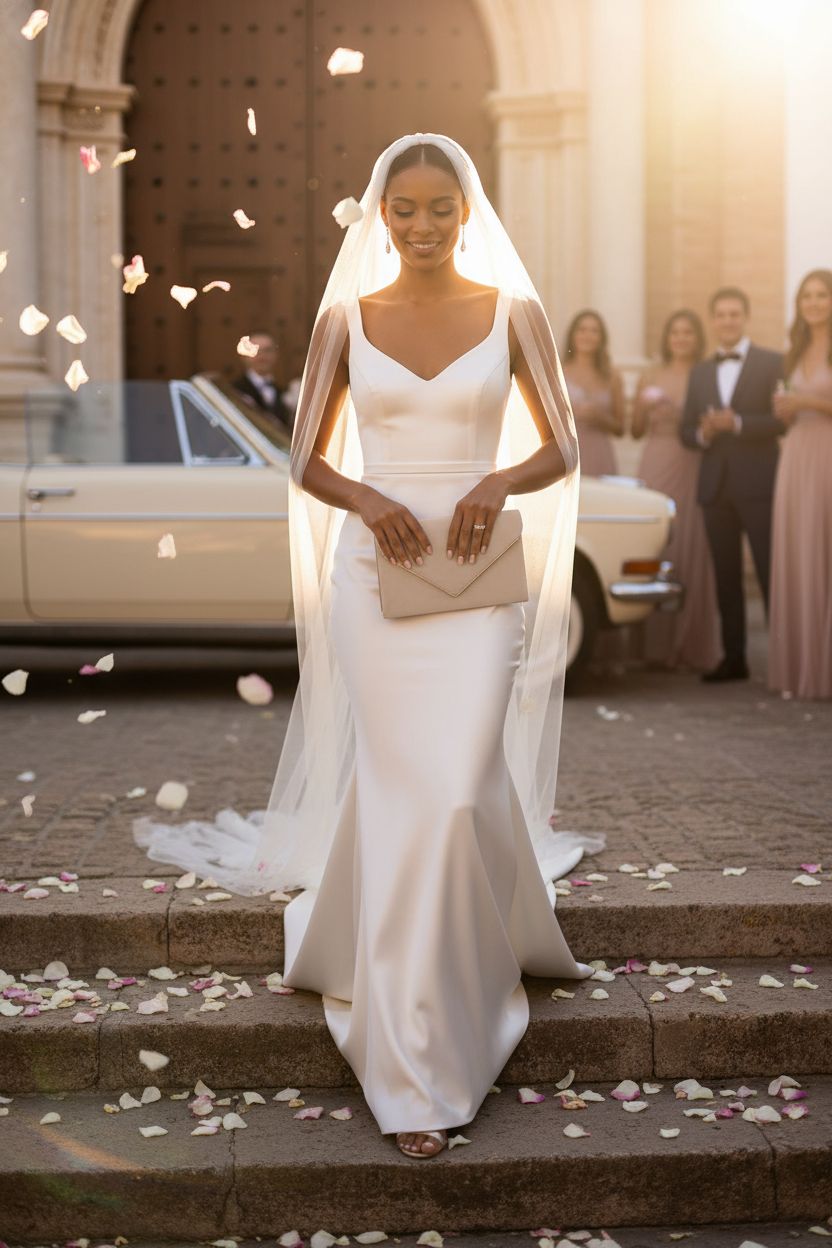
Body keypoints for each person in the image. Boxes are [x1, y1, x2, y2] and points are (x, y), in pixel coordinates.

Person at [132, 133, 605, 1160]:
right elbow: (306, 460)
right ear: (378, 216)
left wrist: (492, 482)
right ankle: (411, 1058)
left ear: (465, 212)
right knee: (408, 791)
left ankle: (461, 976)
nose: (423, 225)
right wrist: (369, 497)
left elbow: (561, 444)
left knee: (450, 786)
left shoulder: (513, 312)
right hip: (373, 579)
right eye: (405, 209)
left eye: (441, 208)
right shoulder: (346, 320)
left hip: (476, 577)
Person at [680, 287, 784, 682]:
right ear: (713, 320)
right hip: (715, 489)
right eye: (720, 315)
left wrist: (737, 423)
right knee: (726, 578)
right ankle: (734, 659)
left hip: (759, 484)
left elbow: (781, 421)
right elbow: (684, 430)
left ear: (745, 318)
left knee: (770, 572)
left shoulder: (772, 363)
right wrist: (705, 433)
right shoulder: (701, 372)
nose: (727, 321)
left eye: (734, 314)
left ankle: (783, 658)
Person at [631, 309, 720, 671]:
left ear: (697, 338)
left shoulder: (707, 373)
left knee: (693, 546)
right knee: (656, 543)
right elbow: (634, 430)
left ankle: (690, 644)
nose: (681, 339)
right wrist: (643, 406)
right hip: (657, 459)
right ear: (667, 338)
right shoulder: (650, 375)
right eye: (675, 333)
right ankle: (652, 648)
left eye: (687, 333)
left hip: (694, 463)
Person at [768, 269, 832, 699]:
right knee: (800, 548)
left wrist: (806, 401)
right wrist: (785, 410)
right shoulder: (792, 353)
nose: (813, 303)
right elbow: (784, 413)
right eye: (806, 296)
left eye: (821, 295)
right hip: (795, 455)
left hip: (827, 454)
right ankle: (801, 665)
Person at [561, 309, 625, 476]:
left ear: (602, 338)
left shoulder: (612, 376)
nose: (587, 335)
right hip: (567, 452)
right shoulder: (559, 372)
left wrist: (600, 418)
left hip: (600, 452)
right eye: (582, 330)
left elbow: (620, 428)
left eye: (594, 331)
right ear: (573, 335)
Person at [231, 330, 293, 435]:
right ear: (244, 355)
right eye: (255, 350)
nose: (262, 356)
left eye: (267, 350)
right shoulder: (234, 391)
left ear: (275, 355)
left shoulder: (283, 392)